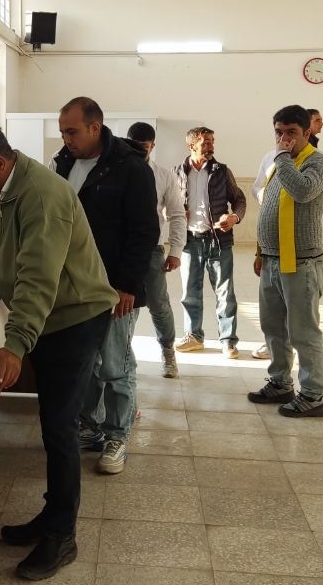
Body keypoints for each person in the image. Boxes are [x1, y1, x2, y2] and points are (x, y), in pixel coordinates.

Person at [0, 123, 117, 580]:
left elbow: (38, 277)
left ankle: (62, 536)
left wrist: (16, 344)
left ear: (0, 163)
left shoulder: (42, 196)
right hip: (48, 316)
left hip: (75, 317)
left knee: (60, 427)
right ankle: (51, 515)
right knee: (51, 422)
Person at [52, 98, 159, 474]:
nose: (66, 139)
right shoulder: (63, 162)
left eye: (72, 131)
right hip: (75, 285)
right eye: (62, 132)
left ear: (95, 128)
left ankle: (117, 435)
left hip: (116, 286)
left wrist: (127, 285)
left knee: (115, 364)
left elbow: (144, 231)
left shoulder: (131, 167)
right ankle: (92, 427)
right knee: (86, 361)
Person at [247, 105, 323, 417]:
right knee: (273, 327)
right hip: (272, 259)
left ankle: (312, 395)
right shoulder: (279, 163)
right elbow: (268, 206)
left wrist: (282, 157)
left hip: (301, 262)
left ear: (307, 132)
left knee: (303, 332)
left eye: (291, 133)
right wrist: (260, 252)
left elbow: (302, 191)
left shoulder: (317, 162)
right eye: (279, 132)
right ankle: (280, 383)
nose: (284, 139)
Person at [172, 127, 248, 359]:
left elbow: (239, 199)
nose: (210, 146)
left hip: (218, 241)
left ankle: (228, 341)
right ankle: (193, 336)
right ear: (191, 145)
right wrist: (175, 213)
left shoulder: (222, 171)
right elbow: (166, 204)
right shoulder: (177, 172)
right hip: (190, 241)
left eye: (212, 141)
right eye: (205, 142)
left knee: (225, 293)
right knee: (190, 292)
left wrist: (234, 217)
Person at [127, 121, 187, 378]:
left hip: (151, 250)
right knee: (123, 305)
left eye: (145, 146)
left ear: (152, 146)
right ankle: (123, 357)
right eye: (135, 145)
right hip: (122, 249)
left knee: (159, 304)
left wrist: (175, 250)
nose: (140, 150)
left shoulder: (163, 176)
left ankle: (168, 352)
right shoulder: (118, 172)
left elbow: (177, 214)